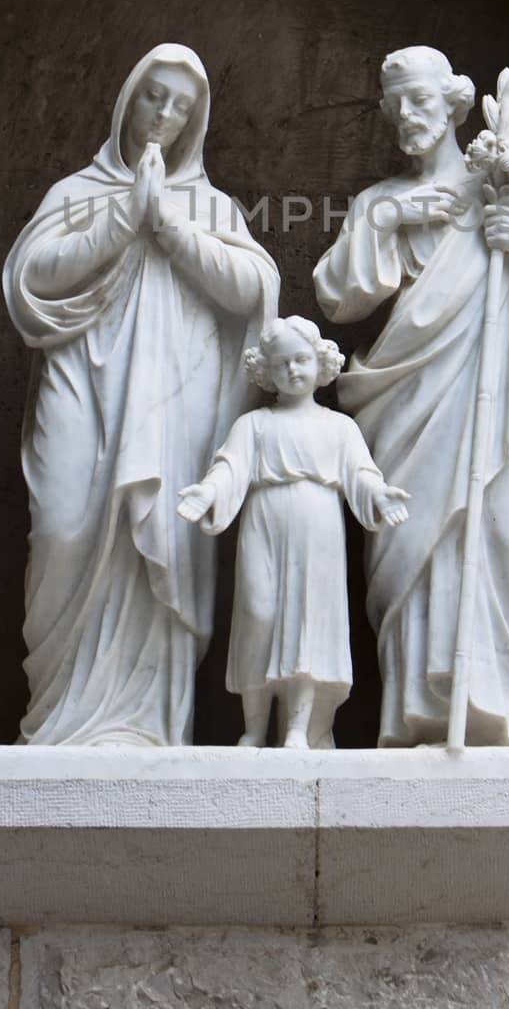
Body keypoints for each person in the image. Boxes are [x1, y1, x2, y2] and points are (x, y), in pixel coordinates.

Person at [313, 46, 509, 749]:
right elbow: (338, 294)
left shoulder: (502, 188)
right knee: (415, 550)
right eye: (395, 108)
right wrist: (390, 223)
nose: (406, 119)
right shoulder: (378, 201)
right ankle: (420, 713)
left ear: (451, 107)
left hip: (502, 402)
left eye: (419, 103)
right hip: (408, 400)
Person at [3, 44, 279, 746]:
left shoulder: (209, 207)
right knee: (64, 526)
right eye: (154, 96)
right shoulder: (76, 194)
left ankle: (148, 727)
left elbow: (253, 291)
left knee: (162, 532)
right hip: (81, 385)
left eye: (181, 105)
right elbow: (33, 279)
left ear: (196, 122)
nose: (164, 114)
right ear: (128, 99)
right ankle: (60, 717)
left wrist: (171, 228)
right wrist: (124, 216)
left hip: (174, 404)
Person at [177, 316, 409, 749]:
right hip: (265, 525)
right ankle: (253, 728)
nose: (293, 370)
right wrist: (207, 494)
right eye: (281, 363)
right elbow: (229, 468)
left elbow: (362, 473)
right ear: (266, 370)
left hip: (317, 530)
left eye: (301, 360)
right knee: (258, 616)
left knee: (308, 623)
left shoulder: (339, 428)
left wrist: (379, 495)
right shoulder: (254, 425)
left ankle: (299, 729)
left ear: (319, 363)